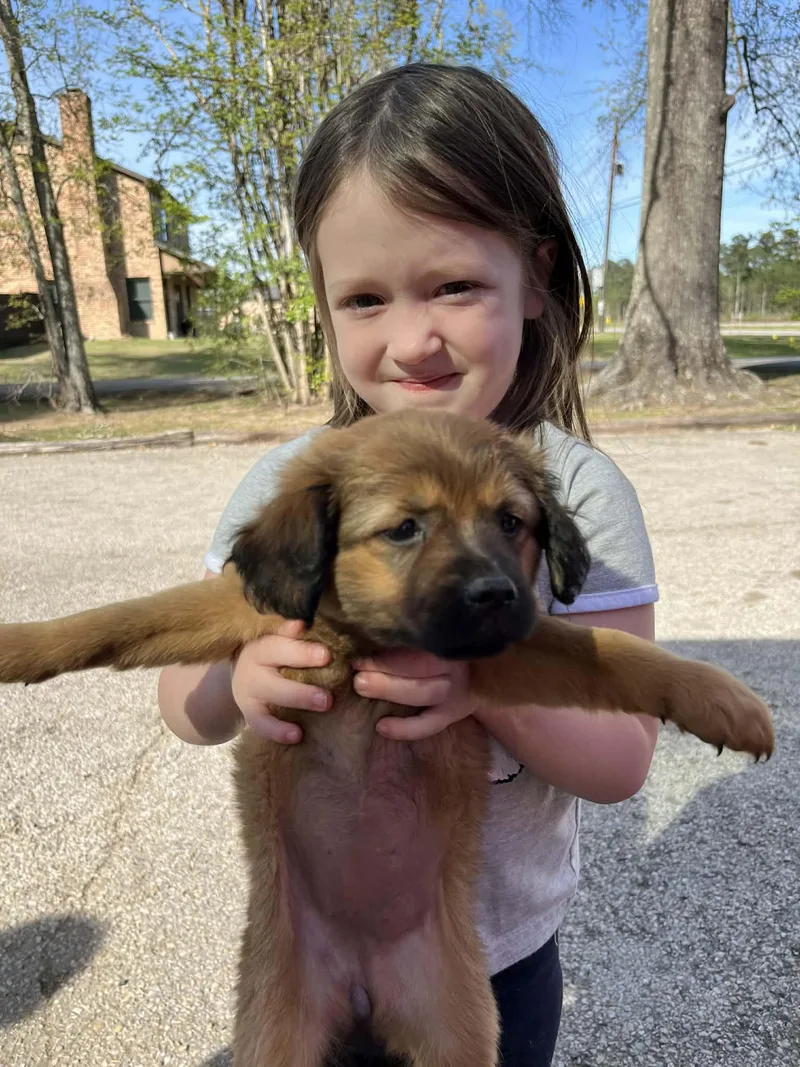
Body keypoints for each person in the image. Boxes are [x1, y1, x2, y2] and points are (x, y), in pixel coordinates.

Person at [158, 62, 660, 1066]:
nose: (410, 340)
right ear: (324, 306)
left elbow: (622, 759)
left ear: (537, 276)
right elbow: (182, 700)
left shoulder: (575, 493)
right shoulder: (295, 487)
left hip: (486, 959)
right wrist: (235, 678)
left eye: (454, 285)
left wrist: (486, 684)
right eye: (364, 299)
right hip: (306, 938)